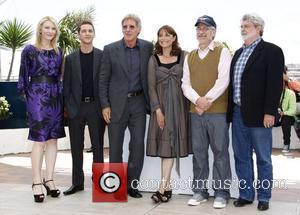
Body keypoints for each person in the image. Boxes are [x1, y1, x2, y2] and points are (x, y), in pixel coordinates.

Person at [227, 14, 284, 211]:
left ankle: (264, 196)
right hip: (238, 113)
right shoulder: (237, 53)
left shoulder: (272, 51)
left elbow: (275, 85)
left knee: (263, 158)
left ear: (259, 28)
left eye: (247, 25)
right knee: (241, 156)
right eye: (241, 25)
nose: (243, 28)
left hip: (261, 115)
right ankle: (246, 194)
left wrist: (270, 112)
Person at [99, 14, 153, 198]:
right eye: (125, 26)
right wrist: (105, 105)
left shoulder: (147, 47)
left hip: (139, 103)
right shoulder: (110, 49)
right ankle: (116, 186)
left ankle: (132, 185)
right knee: (115, 147)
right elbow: (103, 79)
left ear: (139, 29)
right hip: (115, 105)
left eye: (131, 26)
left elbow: (170, 53)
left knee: (137, 145)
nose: (128, 29)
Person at [181, 15, 232, 209]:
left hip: (217, 112)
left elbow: (223, 80)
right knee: (200, 153)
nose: (201, 32)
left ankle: (221, 192)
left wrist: (205, 101)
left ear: (213, 32)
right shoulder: (190, 56)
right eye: (199, 29)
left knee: (220, 152)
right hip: (196, 112)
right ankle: (200, 191)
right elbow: (185, 84)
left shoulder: (222, 51)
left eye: (205, 28)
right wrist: (197, 101)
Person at [17, 16, 65, 203]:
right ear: (40, 29)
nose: (50, 31)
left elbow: (60, 77)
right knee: (39, 140)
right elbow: (23, 76)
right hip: (36, 96)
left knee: (53, 140)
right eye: (47, 27)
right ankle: (36, 182)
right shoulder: (29, 50)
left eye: (53, 28)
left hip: (55, 97)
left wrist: (61, 97)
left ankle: (49, 180)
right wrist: (27, 98)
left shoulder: (59, 51)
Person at [147, 25, 191, 203]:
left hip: (180, 108)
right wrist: (158, 110)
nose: (163, 38)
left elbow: (189, 82)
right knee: (166, 148)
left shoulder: (185, 57)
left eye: (167, 35)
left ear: (174, 37)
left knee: (170, 149)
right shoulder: (153, 59)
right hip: (161, 109)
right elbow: (150, 87)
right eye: (160, 35)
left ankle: (162, 187)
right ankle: (166, 187)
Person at [63, 20, 106, 195]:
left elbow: (106, 82)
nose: (87, 33)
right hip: (76, 108)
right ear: (79, 35)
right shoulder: (70, 59)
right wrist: (68, 107)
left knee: (98, 147)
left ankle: (99, 183)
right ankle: (77, 183)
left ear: (94, 34)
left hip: (96, 108)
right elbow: (66, 86)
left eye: (90, 31)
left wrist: (105, 105)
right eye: (84, 31)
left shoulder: (103, 56)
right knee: (76, 147)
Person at [280, 66, 296, 153]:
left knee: (285, 120)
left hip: (287, 116)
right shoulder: (273, 92)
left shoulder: (290, 93)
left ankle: (287, 143)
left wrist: (283, 113)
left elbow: (293, 110)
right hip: (276, 116)